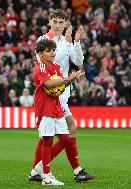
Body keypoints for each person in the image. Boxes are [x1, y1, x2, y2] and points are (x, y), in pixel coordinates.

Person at [29, 9, 94, 182]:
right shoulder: (42, 40)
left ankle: (37, 170)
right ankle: (76, 170)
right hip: (51, 91)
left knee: (48, 135)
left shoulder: (67, 43)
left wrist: (76, 42)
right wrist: (65, 44)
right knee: (68, 129)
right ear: (50, 22)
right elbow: (45, 64)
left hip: (63, 91)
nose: (57, 25)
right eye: (55, 21)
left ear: (65, 24)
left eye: (61, 22)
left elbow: (79, 62)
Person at [32, 39, 85, 185]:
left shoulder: (56, 66)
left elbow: (60, 86)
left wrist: (72, 79)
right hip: (44, 108)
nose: (53, 53)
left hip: (56, 106)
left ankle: (40, 166)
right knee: (47, 140)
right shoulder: (40, 67)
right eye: (48, 51)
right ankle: (47, 176)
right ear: (40, 54)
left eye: (53, 50)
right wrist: (67, 79)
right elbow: (49, 84)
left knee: (65, 138)